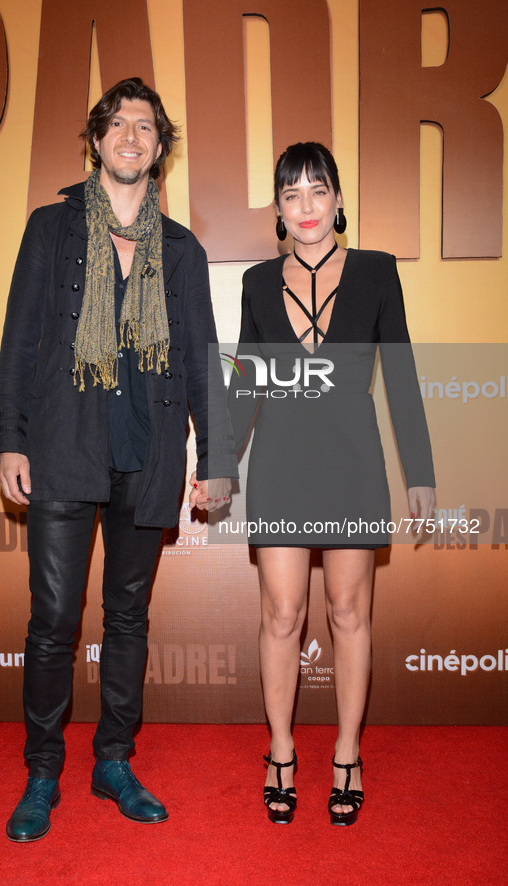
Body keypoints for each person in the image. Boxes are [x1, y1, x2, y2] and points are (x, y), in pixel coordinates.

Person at [0, 77, 236, 842]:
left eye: (145, 127)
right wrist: (8, 438)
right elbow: (21, 340)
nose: (131, 136)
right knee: (55, 620)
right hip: (64, 442)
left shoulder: (183, 249)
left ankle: (114, 760)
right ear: (96, 140)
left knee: (128, 617)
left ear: (160, 148)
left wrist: (218, 455)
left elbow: (200, 360)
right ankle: (42, 773)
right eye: (118, 124)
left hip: (149, 446)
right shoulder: (51, 228)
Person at [228, 142, 435, 826]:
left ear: (338, 200)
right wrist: (217, 465)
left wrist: (421, 473)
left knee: (348, 614)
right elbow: (245, 386)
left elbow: (399, 375)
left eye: (317, 191)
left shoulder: (377, 273)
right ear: (279, 213)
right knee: (281, 616)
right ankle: (280, 752)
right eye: (291, 195)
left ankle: (346, 753)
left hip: (351, 464)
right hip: (283, 465)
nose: (306, 206)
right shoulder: (257, 282)